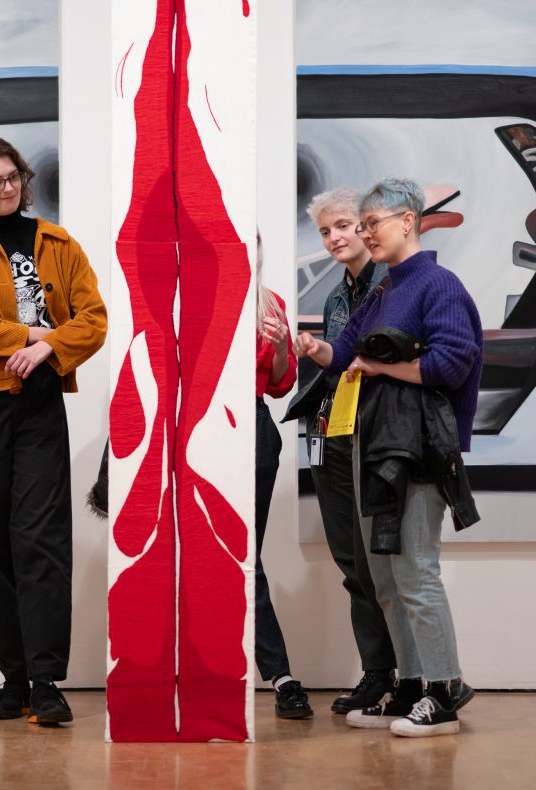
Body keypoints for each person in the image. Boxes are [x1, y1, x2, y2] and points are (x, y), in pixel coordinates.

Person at [296, 178, 481, 738]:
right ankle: (409, 683)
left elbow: (451, 365)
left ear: (408, 221)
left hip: (418, 447)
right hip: (372, 442)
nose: (364, 232)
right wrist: (312, 346)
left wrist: (380, 369)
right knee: (383, 574)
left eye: (372, 222)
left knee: (415, 571)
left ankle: (444, 688)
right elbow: (344, 353)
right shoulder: (382, 292)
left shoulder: (439, 285)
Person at [0, 135, 107, 727]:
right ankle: (11, 677)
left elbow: (94, 320)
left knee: (41, 540)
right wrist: (34, 337)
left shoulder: (59, 244)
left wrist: (49, 350)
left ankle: (45, 681)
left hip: (37, 409)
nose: (7, 189)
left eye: (13, 177)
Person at [287, 189, 397, 716]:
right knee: (352, 563)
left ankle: (412, 678)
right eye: (326, 230)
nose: (334, 237)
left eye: (344, 226)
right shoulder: (335, 298)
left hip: (377, 438)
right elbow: (339, 367)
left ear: (368, 228)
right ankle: (377, 673)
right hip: (334, 435)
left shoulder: (392, 284)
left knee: (386, 564)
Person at [254, 232, 313, 719]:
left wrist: (276, 348)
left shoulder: (267, 302)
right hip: (195, 427)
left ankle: (280, 676)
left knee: (243, 556)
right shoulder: (186, 294)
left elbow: (280, 384)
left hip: (251, 430)